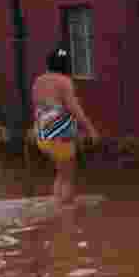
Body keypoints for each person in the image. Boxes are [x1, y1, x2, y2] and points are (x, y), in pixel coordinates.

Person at [31, 45, 99, 207]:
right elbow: (74, 109)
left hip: (42, 134)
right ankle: (65, 217)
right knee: (67, 177)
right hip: (60, 134)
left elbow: (40, 106)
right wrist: (91, 130)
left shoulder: (39, 81)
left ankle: (56, 206)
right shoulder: (64, 82)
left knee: (61, 174)